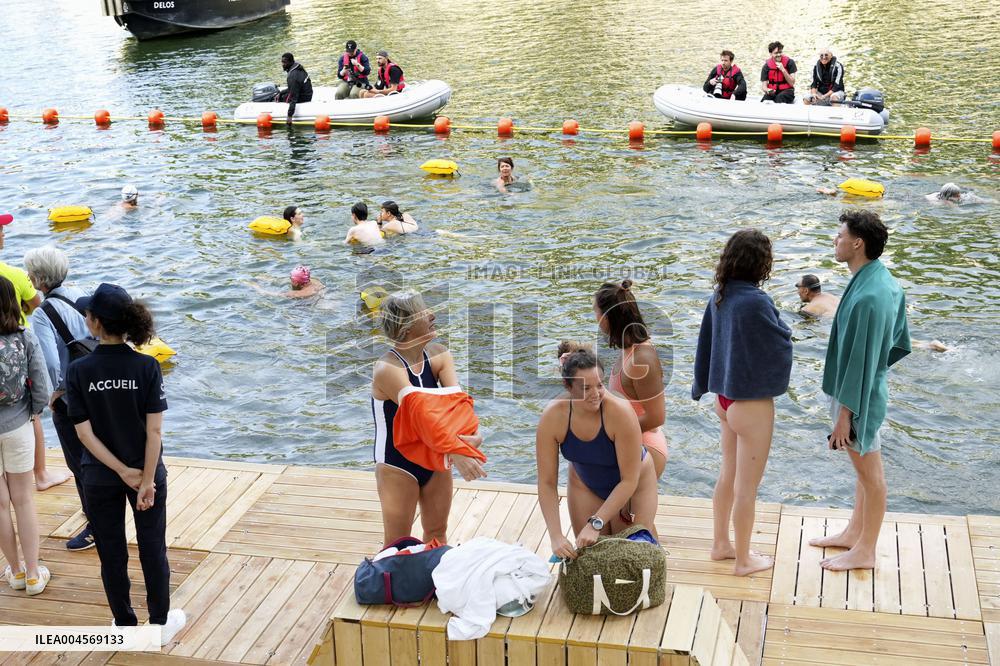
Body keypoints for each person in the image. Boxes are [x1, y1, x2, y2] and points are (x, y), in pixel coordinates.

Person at [65, 284, 186, 642]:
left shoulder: (79, 370)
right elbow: (155, 431)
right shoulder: (147, 366)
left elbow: (83, 434)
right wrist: (146, 480)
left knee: (111, 551)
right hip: (147, 472)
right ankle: (160, 624)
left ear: (96, 322)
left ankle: (123, 623)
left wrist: (120, 471)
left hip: (99, 476)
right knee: (152, 547)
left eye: (88, 314)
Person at [810, 211, 910, 571]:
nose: (835, 240)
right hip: (866, 388)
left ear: (857, 243)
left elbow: (861, 359)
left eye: (840, 235)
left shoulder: (869, 295)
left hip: (858, 396)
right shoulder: (880, 280)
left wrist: (845, 415)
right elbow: (898, 340)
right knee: (863, 468)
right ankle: (854, 532)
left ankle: (866, 550)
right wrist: (876, 370)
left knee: (872, 476)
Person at [692, 229, 793, 576]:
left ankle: (721, 544)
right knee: (747, 488)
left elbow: (708, 341)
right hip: (751, 403)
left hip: (724, 398)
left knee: (727, 474)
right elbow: (781, 342)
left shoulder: (720, 295)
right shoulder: (757, 301)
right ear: (761, 263)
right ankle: (744, 560)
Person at [371, 292, 485, 544]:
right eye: (423, 312)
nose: (432, 315)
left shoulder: (439, 355)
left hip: (436, 456)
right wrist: (456, 451)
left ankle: (435, 573)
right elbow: (418, 413)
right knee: (397, 543)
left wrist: (473, 435)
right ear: (406, 325)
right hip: (397, 464)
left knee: (437, 533)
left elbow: (458, 406)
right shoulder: (387, 368)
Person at [537, 343, 659, 560]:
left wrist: (596, 522)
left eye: (600, 385)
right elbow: (546, 482)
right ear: (567, 386)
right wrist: (555, 536)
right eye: (586, 388)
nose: (595, 394)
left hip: (633, 483)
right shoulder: (553, 417)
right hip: (585, 483)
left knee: (630, 555)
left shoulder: (620, 412)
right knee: (592, 557)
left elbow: (629, 480)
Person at [24, 246, 96, 551]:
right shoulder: (81, 294)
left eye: (30, 272)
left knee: (79, 460)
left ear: (40, 278)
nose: (28, 277)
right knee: (98, 452)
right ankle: (98, 510)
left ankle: (95, 524)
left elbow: (50, 363)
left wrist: (52, 395)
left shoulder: (43, 313)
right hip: (97, 385)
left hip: (72, 395)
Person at [0, 215, 68, 493]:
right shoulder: (14, 275)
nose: (4, 234)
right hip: (18, 351)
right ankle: (40, 474)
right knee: (32, 414)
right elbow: (37, 305)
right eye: (1, 230)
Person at [0, 276, 52, 596]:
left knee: (0, 505)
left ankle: (15, 571)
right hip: (18, 425)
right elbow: (42, 386)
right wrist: (32, 412)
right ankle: (34, 575)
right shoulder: (24, 337)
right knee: (24, 499)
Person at [593, 280, 668, 479]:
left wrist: (611, 434)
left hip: (645, 448)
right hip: (630, 443)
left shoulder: (642, 359)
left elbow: (656, 417)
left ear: (607, 318)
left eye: (596, 312)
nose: (595, 318)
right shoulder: (629, 350)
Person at [279, 52, 313, 123]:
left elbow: (293, 97)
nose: (283, 64)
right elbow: (293, 88)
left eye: (284, 62)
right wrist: (281, 92)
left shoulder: (292, 76)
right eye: (282, 62)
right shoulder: (298, 67)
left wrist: (289, 116)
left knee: (281, 98)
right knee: (281, 94)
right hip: (308, 94)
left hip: (304, 98)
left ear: (290, 62)